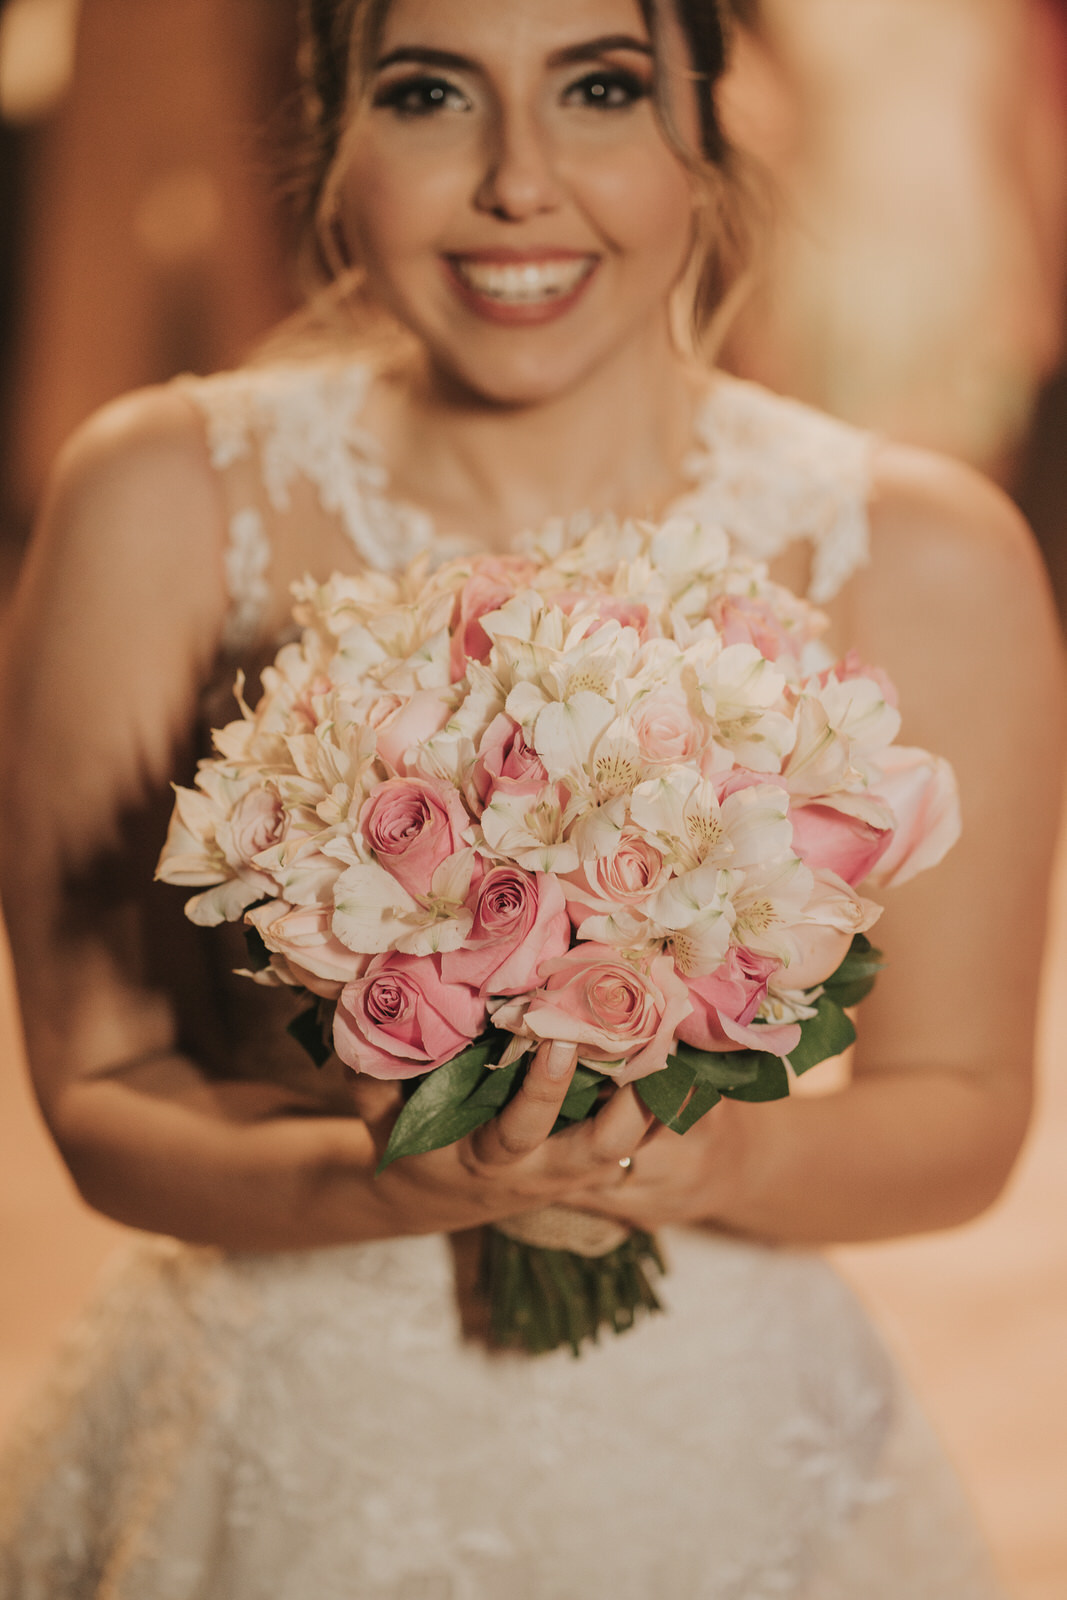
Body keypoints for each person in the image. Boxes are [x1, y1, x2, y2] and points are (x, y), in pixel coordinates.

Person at [0, 0, 1062, 1594]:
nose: (518, 182)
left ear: (712, 124)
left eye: (602, 88)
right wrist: (388, 1178)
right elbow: (99, 1101)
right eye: (431, 92)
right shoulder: (155, 497)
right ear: (335, 132)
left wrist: (698, 1166)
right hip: (282, 1439)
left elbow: (965, 1114)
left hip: (726, 1449)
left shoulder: (926, 551)